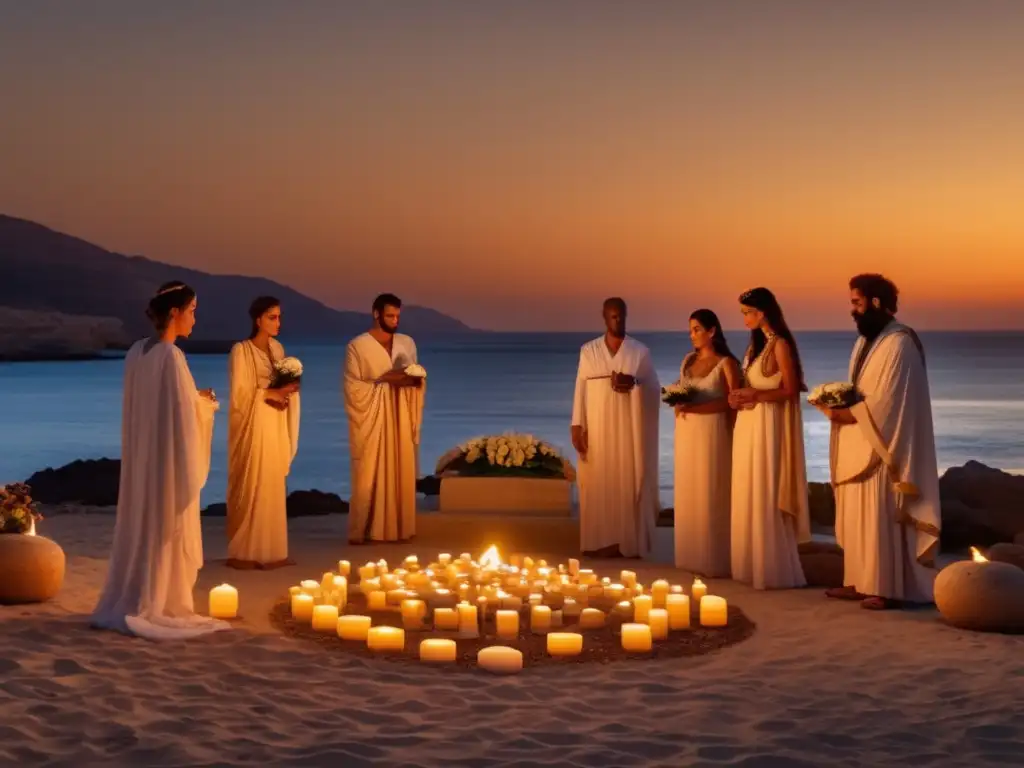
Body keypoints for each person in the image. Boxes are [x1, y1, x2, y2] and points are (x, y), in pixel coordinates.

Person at [92, 281, 230, 639]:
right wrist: (207, 405)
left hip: (143, 460)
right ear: (175, 313)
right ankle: (157, 600)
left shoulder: (137, 352)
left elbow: (156, 403)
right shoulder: (171, 355)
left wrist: (193, 397)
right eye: (193, 310)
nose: (195, 319)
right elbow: (181, 417)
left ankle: (138, 591)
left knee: (144, 522)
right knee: (165, 521)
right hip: (165, 463)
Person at [817, 274, 940, 609]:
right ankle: (857, 580)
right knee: (858, 516)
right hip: (859, 441)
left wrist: (841, 413)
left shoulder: (900, 342)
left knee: (879, 517)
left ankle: (884, 588)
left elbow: (887, 402)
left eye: (856, 303)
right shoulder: (867, 341)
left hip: (885, 447)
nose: (852, 311)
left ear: (874, 302)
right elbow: (861, 390)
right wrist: (835, 401)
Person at [728, 287, 811, 589]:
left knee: (764, 487)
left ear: (761, 312)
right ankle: (750, 563)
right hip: (750, 424)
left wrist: (756, 394)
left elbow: (790, 389)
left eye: (747, 312)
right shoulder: (755, 348)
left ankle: (772, 567)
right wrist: (739, 398)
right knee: (748, 487)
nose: (744, 319)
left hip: (768, 426)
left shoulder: (780, 345)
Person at [570, 297, 660, 558]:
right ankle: (598, 541)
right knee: (597, 480)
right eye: (612, 316)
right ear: (604, 317)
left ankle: (626, 542)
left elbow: (654, 389)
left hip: (628, 430)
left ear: (626, 316)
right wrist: (577, 424)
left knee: (627, 479)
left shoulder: (639, 351)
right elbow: (580, 388)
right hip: (596, 426)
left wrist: (633, 382)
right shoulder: (589, 350)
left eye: (621, 316)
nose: (617, 320)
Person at [225, 296, 301, 569]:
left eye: (279, 317)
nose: (278, 322)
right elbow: (240, 396)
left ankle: (273, 552)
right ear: (258, 320)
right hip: (253, 428)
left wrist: (289, 392)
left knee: (272, 484)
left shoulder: (278, 350)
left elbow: (280, 387)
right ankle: (245, 553)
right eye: (272, 317)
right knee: (253, 483)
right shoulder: (241, 351)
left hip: (275, 424)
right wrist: (273, 392)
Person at [343, 293, 425, 544]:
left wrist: (413, 380)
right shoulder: (357, 346)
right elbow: (352, 386)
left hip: (400, 414)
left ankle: (399, 527)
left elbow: (413, 376)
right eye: (390, 315)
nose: (395, 320)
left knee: (401, 466)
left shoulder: (407, 343)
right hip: (372, 418)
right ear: (376, 314)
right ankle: (366, 529)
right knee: (369, 470)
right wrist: (388, 378)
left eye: (398, 316)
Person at [673, 309, 742, 577]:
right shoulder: (688, 360)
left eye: (697, 329)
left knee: (711, 488)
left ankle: (715, 559)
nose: (692, 335)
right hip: (687, 432)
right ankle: (690, 556)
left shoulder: (726, 363)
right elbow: (682, 388)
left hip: (713, 432)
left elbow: (731, 401)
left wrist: (697, 410)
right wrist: (677, 400)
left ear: (712, 331)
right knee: (690, 488)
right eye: (690, 330)